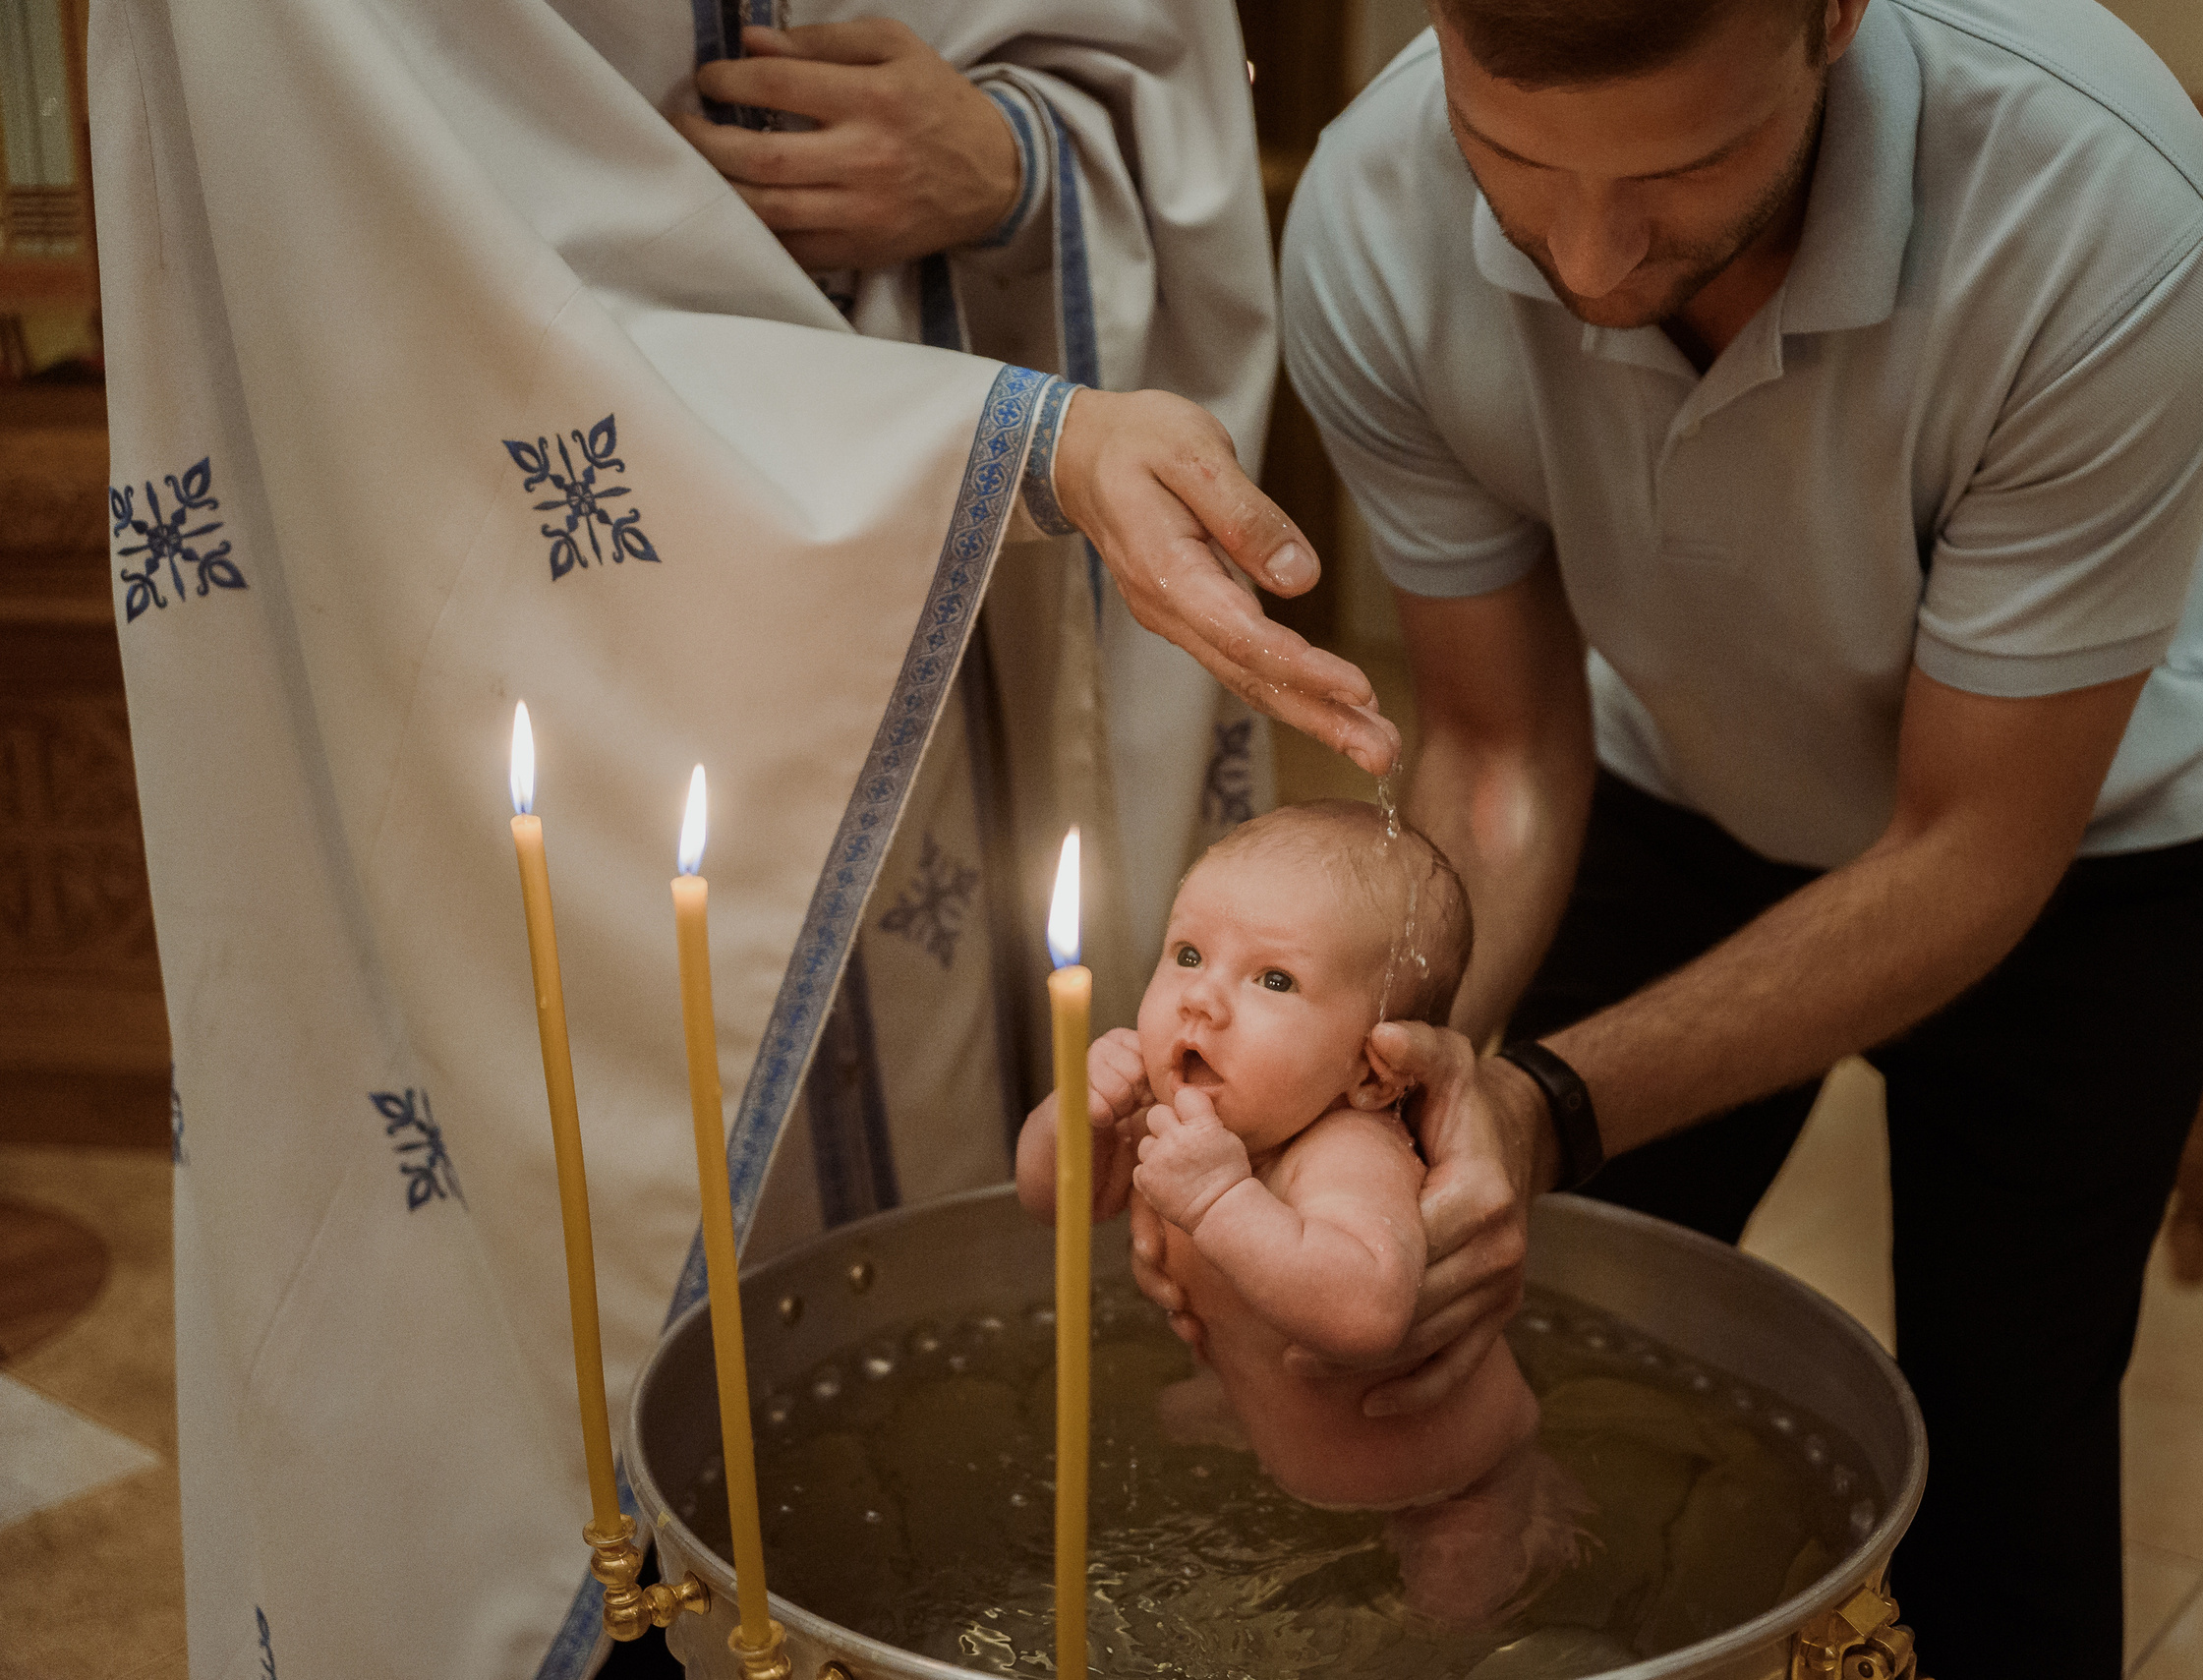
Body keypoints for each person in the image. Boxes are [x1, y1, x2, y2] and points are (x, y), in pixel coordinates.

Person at [90, 1, 1394, 1674]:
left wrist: (1015, 168)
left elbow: (1155, 69)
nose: (1204, 992)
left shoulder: (1337, 1121)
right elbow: (394, 239)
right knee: (597, 1360)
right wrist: (1023, 442)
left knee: (983, 1436)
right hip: (560, 634)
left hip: (968, 670)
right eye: (1217, 961)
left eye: (1263, 969)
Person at [1234, 0, 2203, 1673]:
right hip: (1668, 776)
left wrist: (1549, 1097)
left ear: (1833, 16)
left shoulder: (2108, 209)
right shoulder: (1369, 211)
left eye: (1688, 163)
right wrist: (1409, 1072)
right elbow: (1498, 738)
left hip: (2078, 849)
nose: (1585, 252)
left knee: (2000, 1466)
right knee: (1530, 1363)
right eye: (1513, 161)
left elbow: (1968, 845)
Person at [1015, 802, 1587, 1624]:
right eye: (1187, 953)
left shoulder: (1348, 1150)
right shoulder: (1183, 1116)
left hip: (1447, 1479)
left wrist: (1217, 1198)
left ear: (1375, 1070)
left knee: (1451, 1625)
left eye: (1273, 979)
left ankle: (1524, 1509)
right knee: (1167, 1424)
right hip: (1274, 1425)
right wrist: (1076, 1116)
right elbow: (1053, 1203)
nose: (1201, 1000)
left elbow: (1367, 1310)